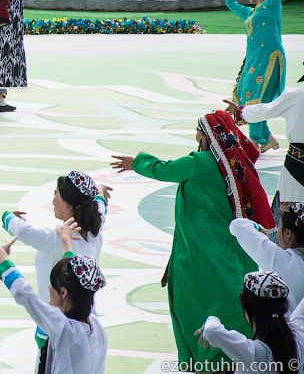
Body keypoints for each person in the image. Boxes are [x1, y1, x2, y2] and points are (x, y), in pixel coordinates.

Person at [110, 109, 275, 364]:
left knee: (194, 299)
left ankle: (206, 358)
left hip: (199, 248)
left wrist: (136, 162)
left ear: (208, 135)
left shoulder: (198, 163)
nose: (196, 135)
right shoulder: (235, 163)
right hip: (231, 247)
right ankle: (238, 350)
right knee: (232, 295)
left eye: (199, 130)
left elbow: (163, 169)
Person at [0, 172, 109, 362]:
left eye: (56, 194)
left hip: (56, 324)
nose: (53, 200)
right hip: (88, 321)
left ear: (67, 202)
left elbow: (21, 230)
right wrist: (99, 192)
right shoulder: (95, 230)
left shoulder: (56, 239)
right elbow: (100, 206)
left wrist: (7, 216)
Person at [0, 225, 108, 374]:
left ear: (64, 292)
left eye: (52, 284)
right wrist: (65, 241)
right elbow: (73, 279)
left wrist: (3, 259)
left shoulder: (62, 326)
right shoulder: (92, 320)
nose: (48, 288)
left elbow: (26, 296)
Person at [221, 0, 285, 152]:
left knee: (258, 97)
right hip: (252, 59)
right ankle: (262, 138)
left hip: (269, 58)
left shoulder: (272, 6)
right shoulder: (251, 13)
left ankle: (256, 142)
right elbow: (231, 4)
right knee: (247, 95)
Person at [195, 272, 304, 371]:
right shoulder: (298, 337)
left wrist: (212, 319)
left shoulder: (253, 353)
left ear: (248, 308)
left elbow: (211, 330)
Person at [226, 81, 304, 215]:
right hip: (296, 163)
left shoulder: (296, 95)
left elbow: (265, 110)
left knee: (291, 216)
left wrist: (239, 111)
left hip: (296, 165)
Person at [230, 205, 304, 308]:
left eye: (279, 227)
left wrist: (257, 227)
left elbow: (237, 225)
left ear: (288, 234)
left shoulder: (284, 261)